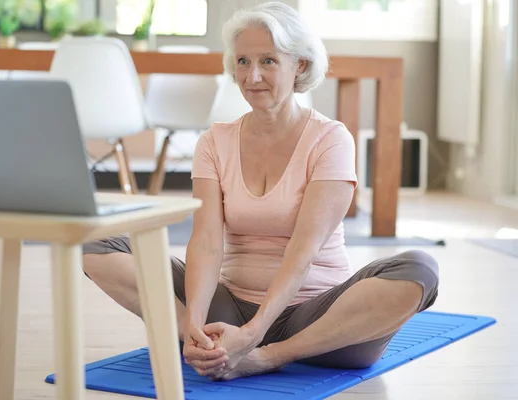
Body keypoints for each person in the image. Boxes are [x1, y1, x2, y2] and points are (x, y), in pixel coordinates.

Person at [82, 1, 439, 381]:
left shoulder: (331, 139)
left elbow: (303, 251)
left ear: (299, 65)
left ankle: (271, 356)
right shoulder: (214, 141)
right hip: (230, 309)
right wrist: (195, 326)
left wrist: (255, 340)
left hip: (316, 317)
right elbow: (205, 242)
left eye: (268, 61)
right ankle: (208, 345)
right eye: (242, 62)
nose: (252, 76)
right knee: (93, 244)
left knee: (420, 270)